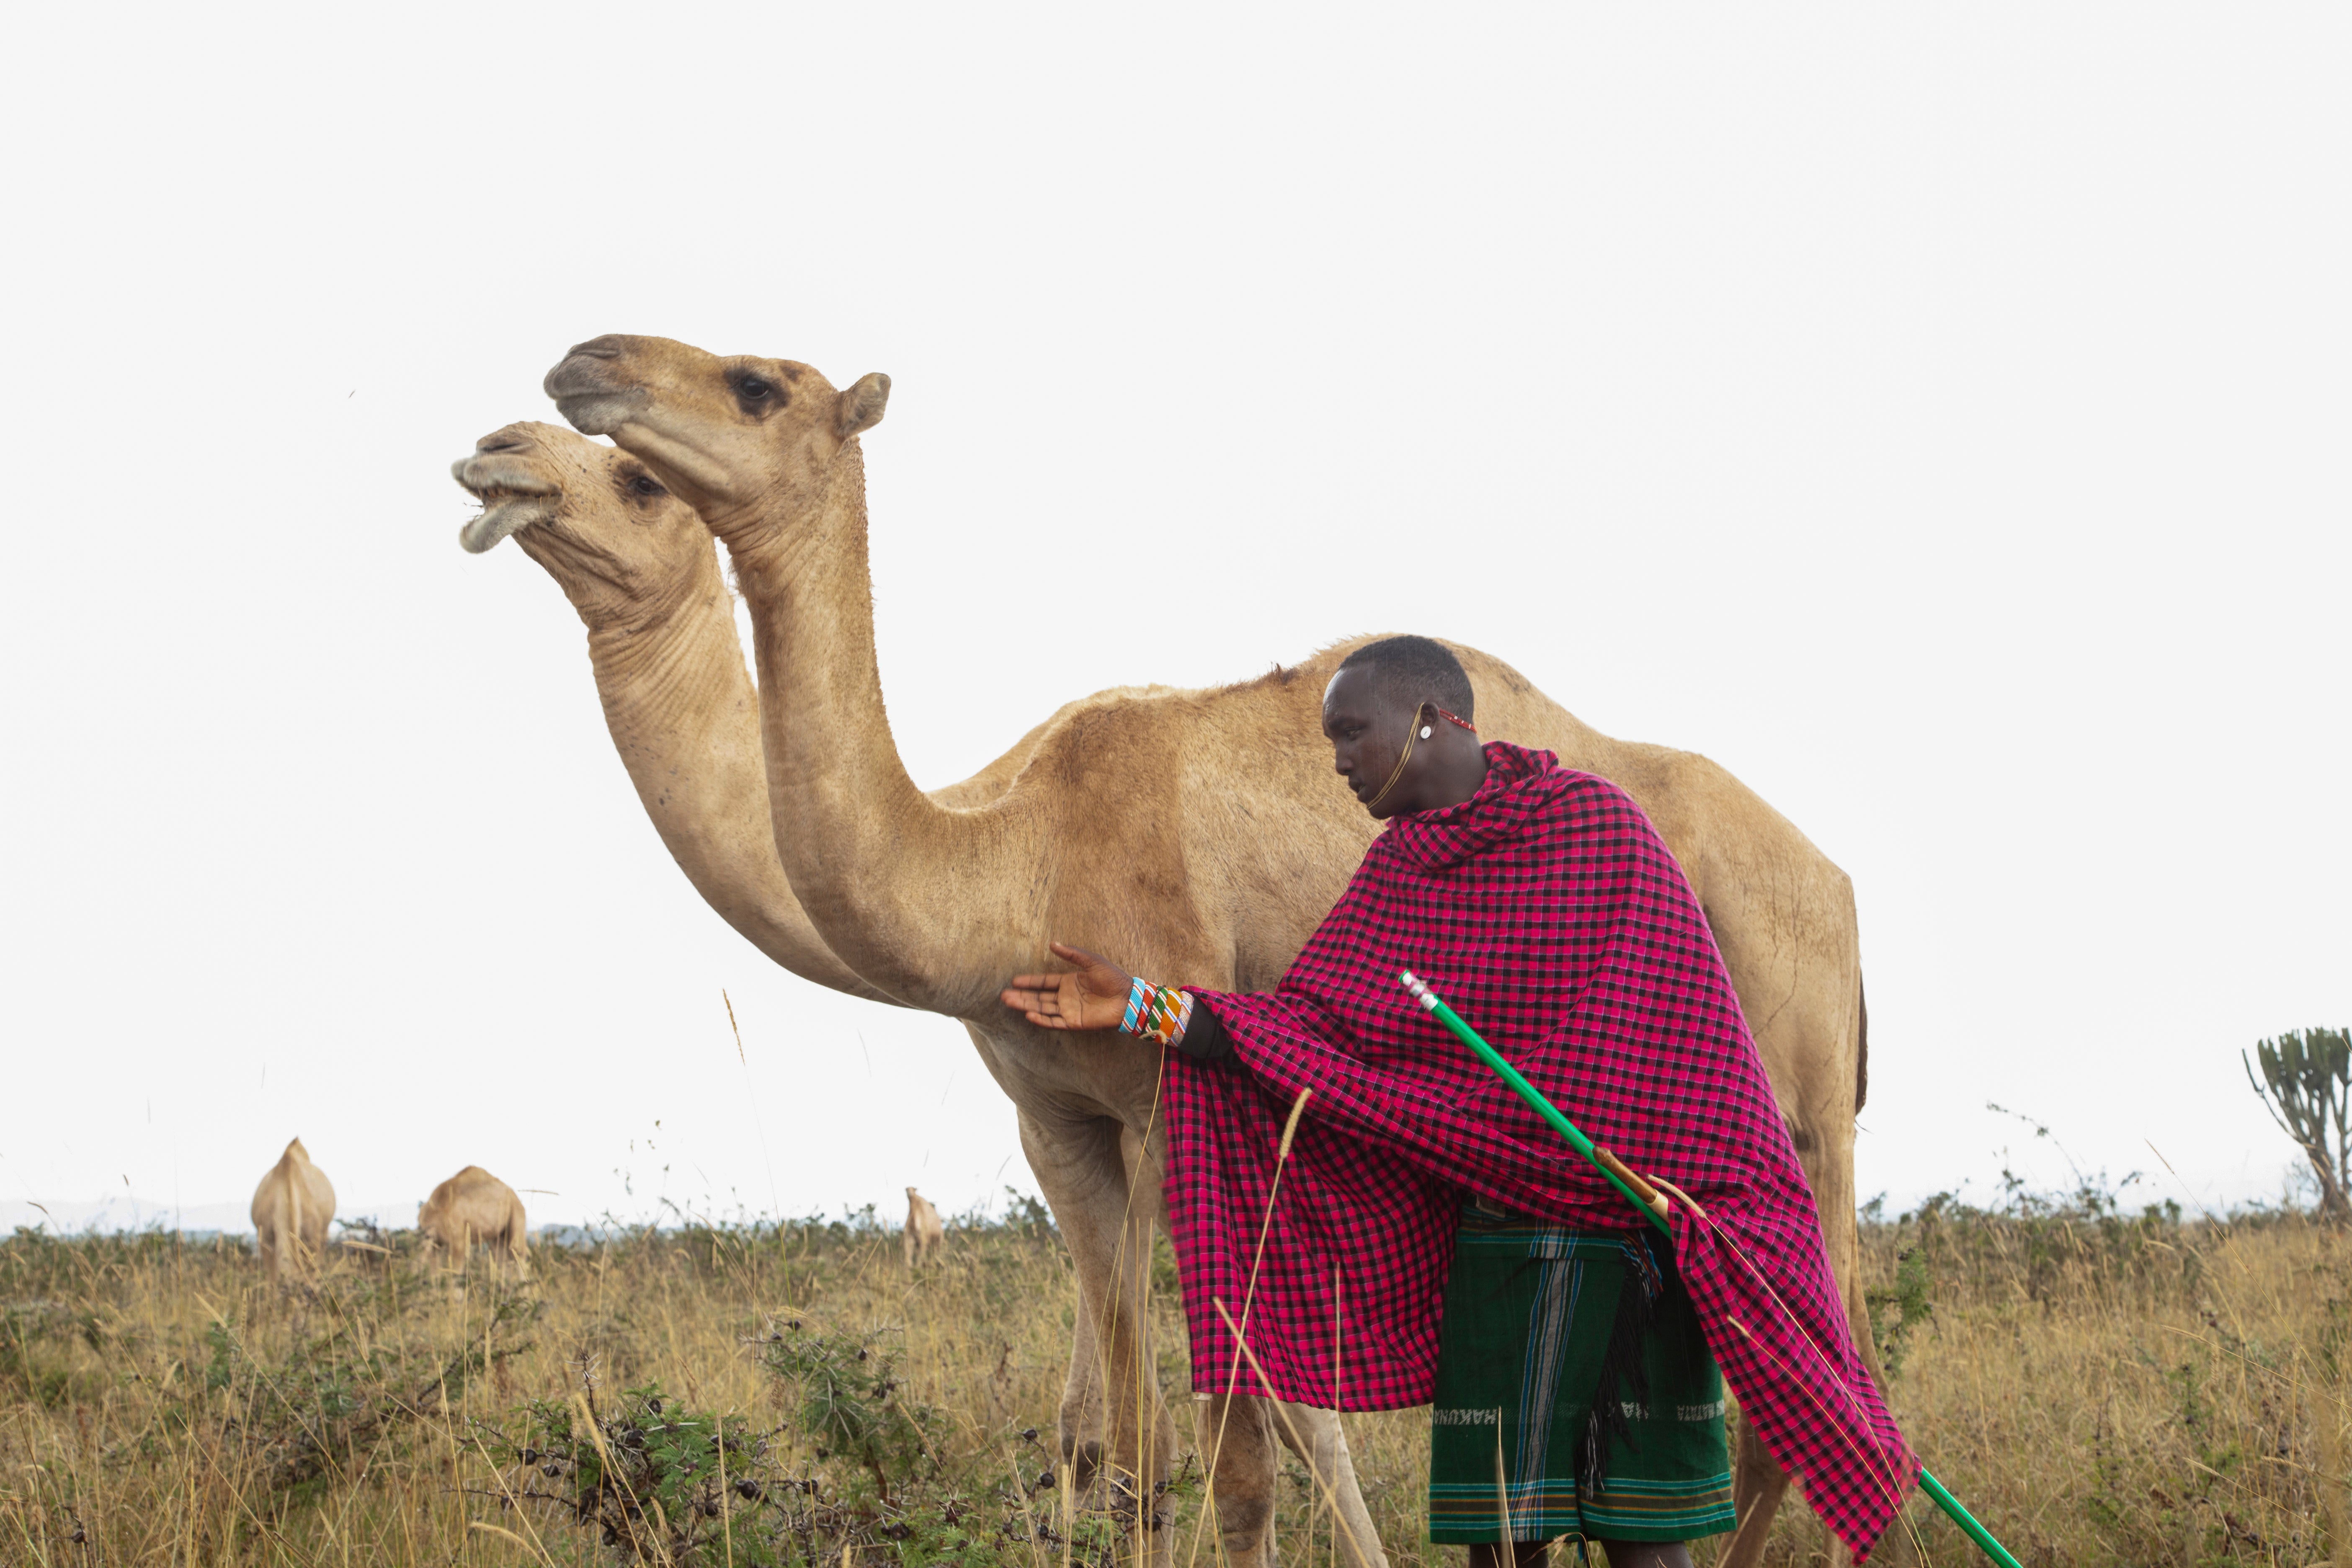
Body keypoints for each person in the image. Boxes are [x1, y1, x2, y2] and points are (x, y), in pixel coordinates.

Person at [1002, 636, 1911, 1567]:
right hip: (1505, 1254)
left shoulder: (1597, 828)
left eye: (1352, 733)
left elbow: (1694, 1049)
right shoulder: (1398, 876)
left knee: (1647, 1546)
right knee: (1499, 1546)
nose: (1339, 763)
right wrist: (1151, 1007)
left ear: (1431, 721)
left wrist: (1635, 1159)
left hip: (1637, 1242)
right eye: (1332, 741)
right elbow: (1317, 1032)